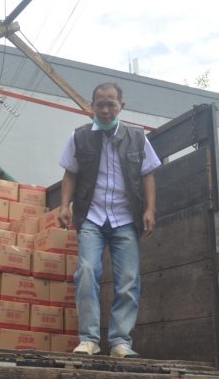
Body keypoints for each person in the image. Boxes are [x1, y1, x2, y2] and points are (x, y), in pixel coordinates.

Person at [58, 82, 161, 358]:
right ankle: (89, 339)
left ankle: (120, 342)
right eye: (100, 104)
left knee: (128, 278)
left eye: (111, 104)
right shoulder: (79, 136)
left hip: (125, 218)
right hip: (91, 216)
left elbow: (148, 173)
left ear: (121, 107)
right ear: (92, 106)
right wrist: (64, 205)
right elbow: (70, 173)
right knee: (87, 272)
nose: (105, 109)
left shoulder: (138, 138)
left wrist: (149, 209)